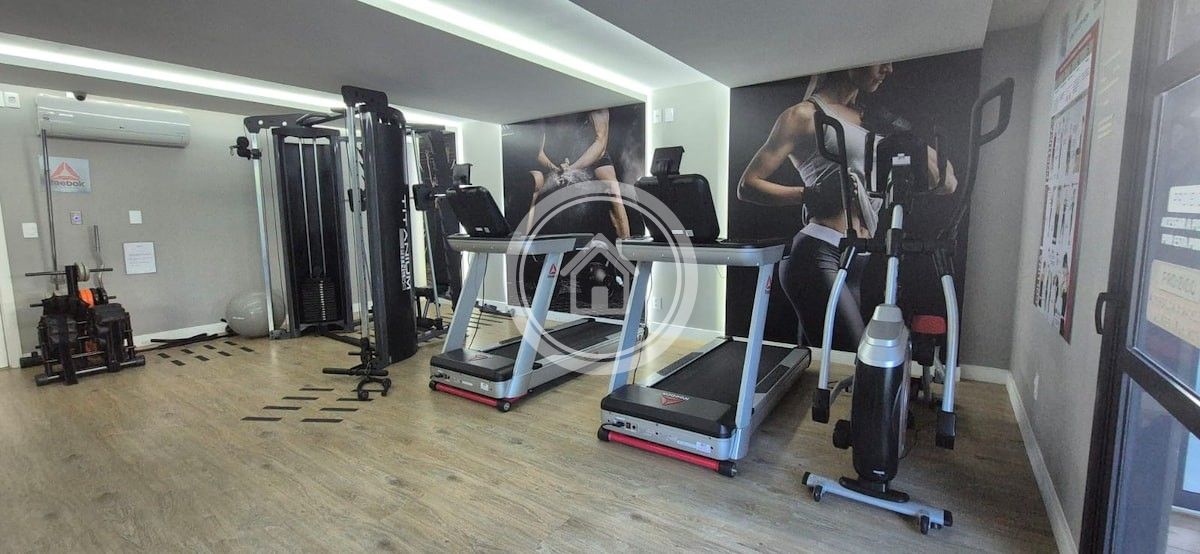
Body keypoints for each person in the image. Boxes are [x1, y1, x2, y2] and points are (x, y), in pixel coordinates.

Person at [737, 63, 957, 350]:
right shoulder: (804, 115)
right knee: (852, 356)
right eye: (880, 60)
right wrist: (811, 194)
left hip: (857, 258)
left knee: (821, 362)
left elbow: (947, 183)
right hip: (818, 254)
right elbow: (748, 185)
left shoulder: (872, 120)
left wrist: (906, 134)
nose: (889, 69)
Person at [526, 108, 631, 239]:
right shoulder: (547, 107)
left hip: (591, 155)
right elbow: (539, 153)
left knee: (611, 185)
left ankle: (626, 243)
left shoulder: (596, 105)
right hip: (560, 156)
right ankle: (524, 242)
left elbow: (600, 144)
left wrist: (573, 168)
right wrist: (555, 168)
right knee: (536, 179)